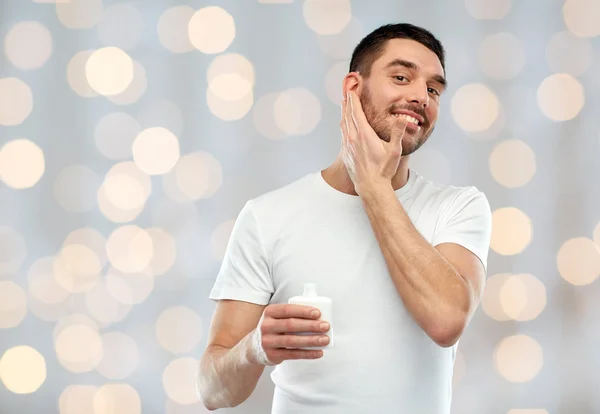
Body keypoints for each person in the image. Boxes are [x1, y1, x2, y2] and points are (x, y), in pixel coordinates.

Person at [197, 23, 492, 413]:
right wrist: (254, 349)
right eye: (401, 77)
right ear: (353, 88)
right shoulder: (268, 216)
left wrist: (373, 185)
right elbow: (213, 391)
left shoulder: (457, 208)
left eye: (434, 89)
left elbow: (446, 321)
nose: (421, 96)